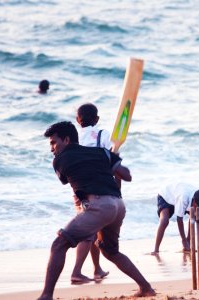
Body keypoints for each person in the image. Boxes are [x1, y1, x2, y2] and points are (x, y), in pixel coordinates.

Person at [38, 121, 155, 300]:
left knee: (59, 245)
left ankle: (46, 295)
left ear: (67, 140)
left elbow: (65, 179)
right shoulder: (102, 152)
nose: (52, 148)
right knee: (110, 251)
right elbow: (127, 176)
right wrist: (113, 157)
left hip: (99, 206)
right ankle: (146, 288)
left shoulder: (60, 160)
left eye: (54, 142)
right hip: (118, 205)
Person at [70, 103, 113, 284]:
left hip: (78, 190)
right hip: (99, 189)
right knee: (90, 231)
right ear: (97, 119)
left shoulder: (72, 138)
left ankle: (97, 269)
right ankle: (77, 272)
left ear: (77, 120)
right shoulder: (103, 134)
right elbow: (112, 158)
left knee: (93, 229)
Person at [151, 182, 199, 254]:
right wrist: (183, 241)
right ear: (194, 201)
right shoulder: (184, 198)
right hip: (166, 196)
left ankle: (194, 242)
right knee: (165, 221)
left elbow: (195, 219)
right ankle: (156, 249)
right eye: (198, 207)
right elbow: (179, 219)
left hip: (178, 195)